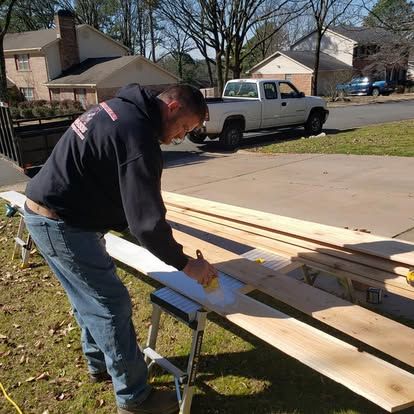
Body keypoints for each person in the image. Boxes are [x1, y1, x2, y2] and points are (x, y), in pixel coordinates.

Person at [23, 83, 217, 414]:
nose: (178, 137)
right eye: (183, 127)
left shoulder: (118, 108)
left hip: (53, 213)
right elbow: (146, 223)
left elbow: (113, 181)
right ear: (171, 107)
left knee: (87, 297)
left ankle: (98, 363)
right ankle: (134, 398)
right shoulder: (138, 135)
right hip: (63, 223)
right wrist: (187, 264)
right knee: (110, 305)